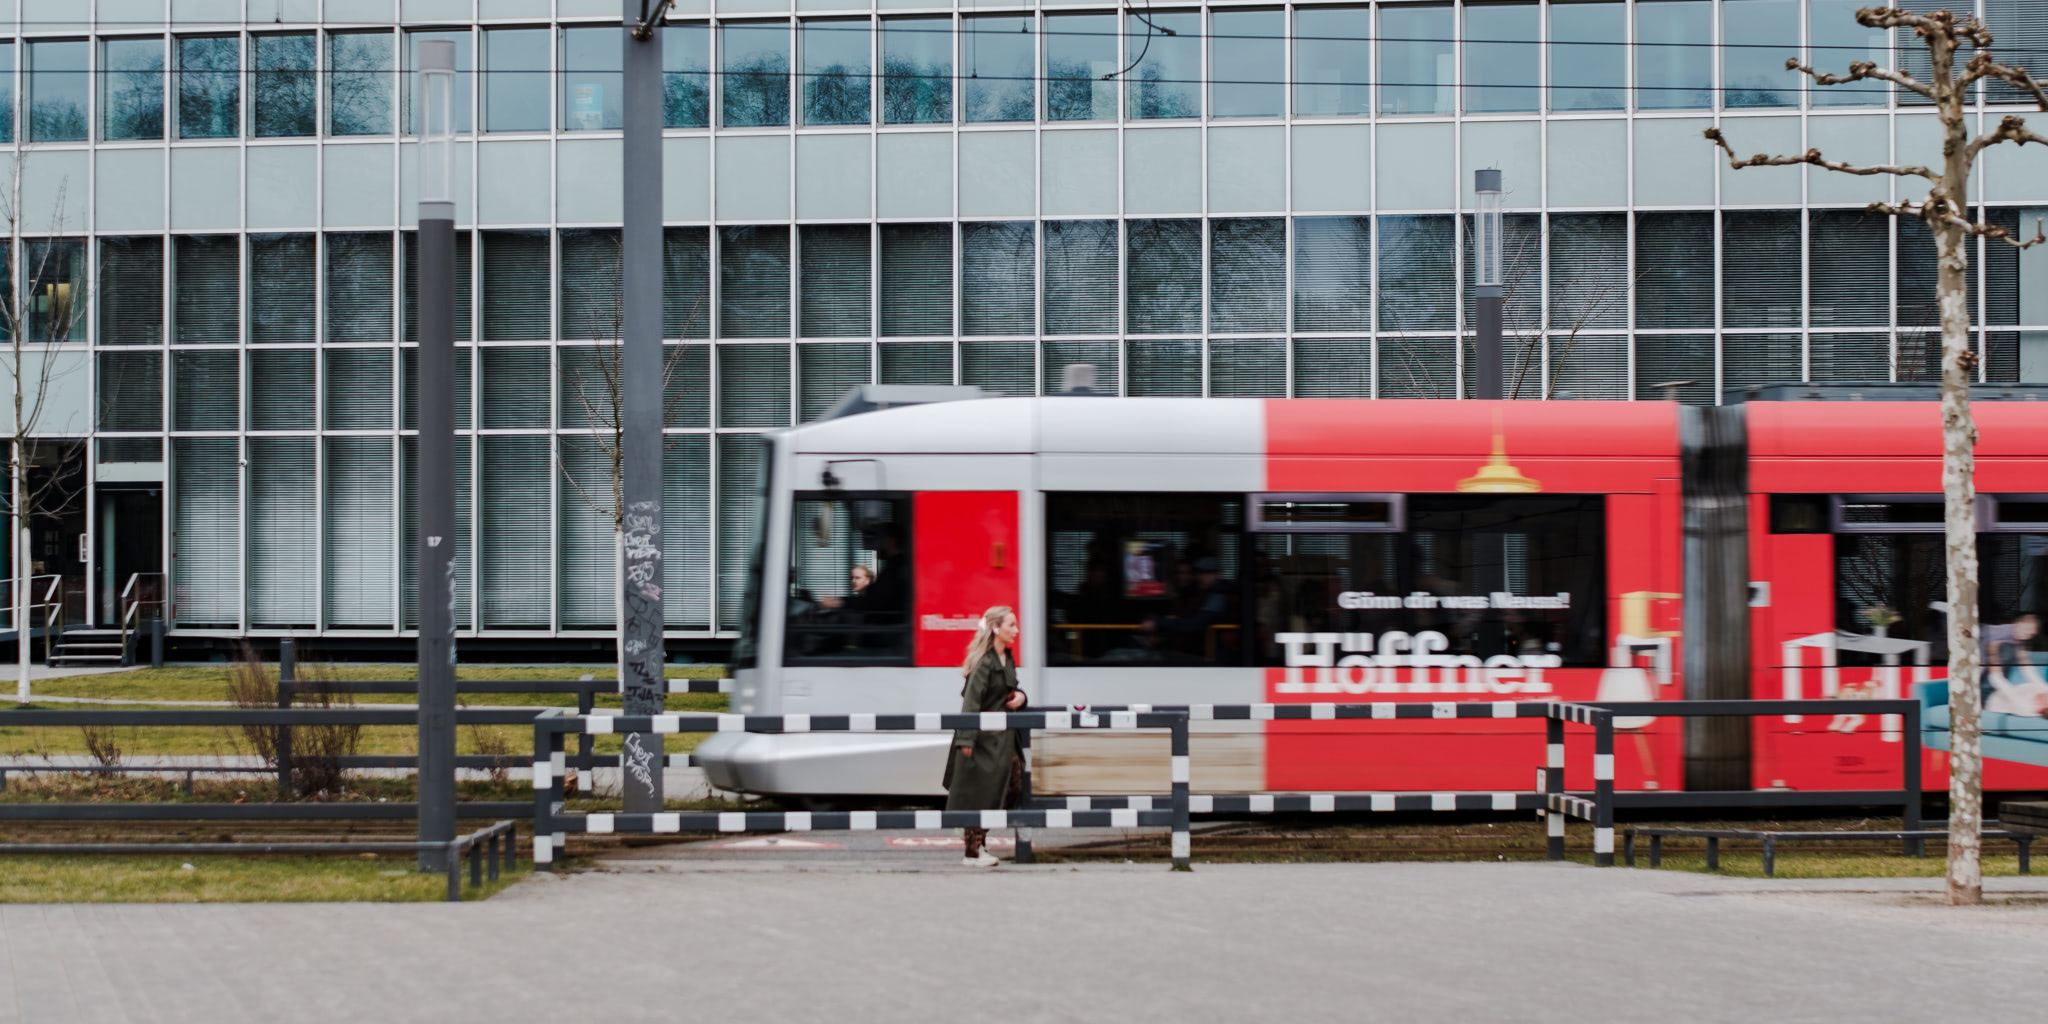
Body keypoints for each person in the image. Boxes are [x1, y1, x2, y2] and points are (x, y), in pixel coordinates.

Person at [942, 605, 1027, 867]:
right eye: (1011, 625)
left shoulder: (1006, 658)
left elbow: (1011, 691)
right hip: (983, 741)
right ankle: (972, 851)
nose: (1016, 629)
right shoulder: (984, 662)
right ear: (996, 629)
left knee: (1010, 787)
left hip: (1002, 740)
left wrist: (1022, 698)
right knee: (982, 794)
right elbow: (971, 702)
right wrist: (966, 740)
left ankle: (978, 841)